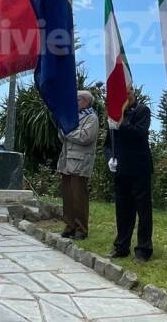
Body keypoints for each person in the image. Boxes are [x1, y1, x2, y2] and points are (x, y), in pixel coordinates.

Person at [103, 96, 153, 262]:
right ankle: (121, 246)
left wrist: (121, 121)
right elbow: (108, 143)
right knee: (123, 210)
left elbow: (139, 134)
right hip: (120, 169)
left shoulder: (142, 110)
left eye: (127, 89)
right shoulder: (115, 113)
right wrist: (110, 157)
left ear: (133, 92)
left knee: (143, 210)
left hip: (139, 167)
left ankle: (143, 249)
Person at [57, 90, 100, 240]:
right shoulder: (73, 117)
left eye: (78, 100)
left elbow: (85, 137)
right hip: (66, 160)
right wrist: (63, 130)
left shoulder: (91, 118)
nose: (75, 102)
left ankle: (81, 229)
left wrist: (67, 132)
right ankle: (69, 226)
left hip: (80, 163)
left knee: (79, 197)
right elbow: (62, 136)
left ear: (86, 101)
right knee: (68, 197)